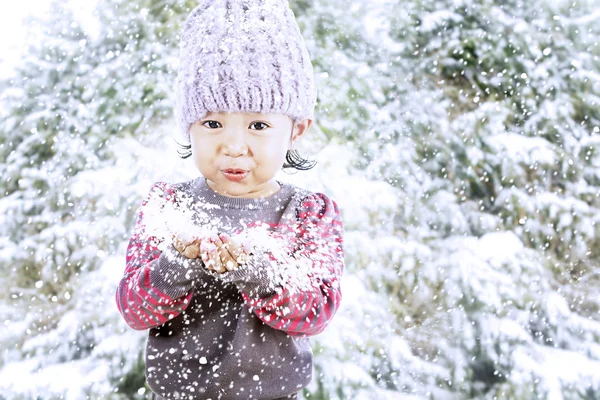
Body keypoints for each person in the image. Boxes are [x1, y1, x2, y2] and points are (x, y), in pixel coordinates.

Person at [115, 0, 344, 399]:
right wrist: (177, 265)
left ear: (296, 128)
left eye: (258, 124)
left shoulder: (309, 213)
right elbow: (134, 308)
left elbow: (316, 311)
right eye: (213, 123)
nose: (234, 146)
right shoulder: (169, 205)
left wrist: (256, 271)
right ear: (189, 125)